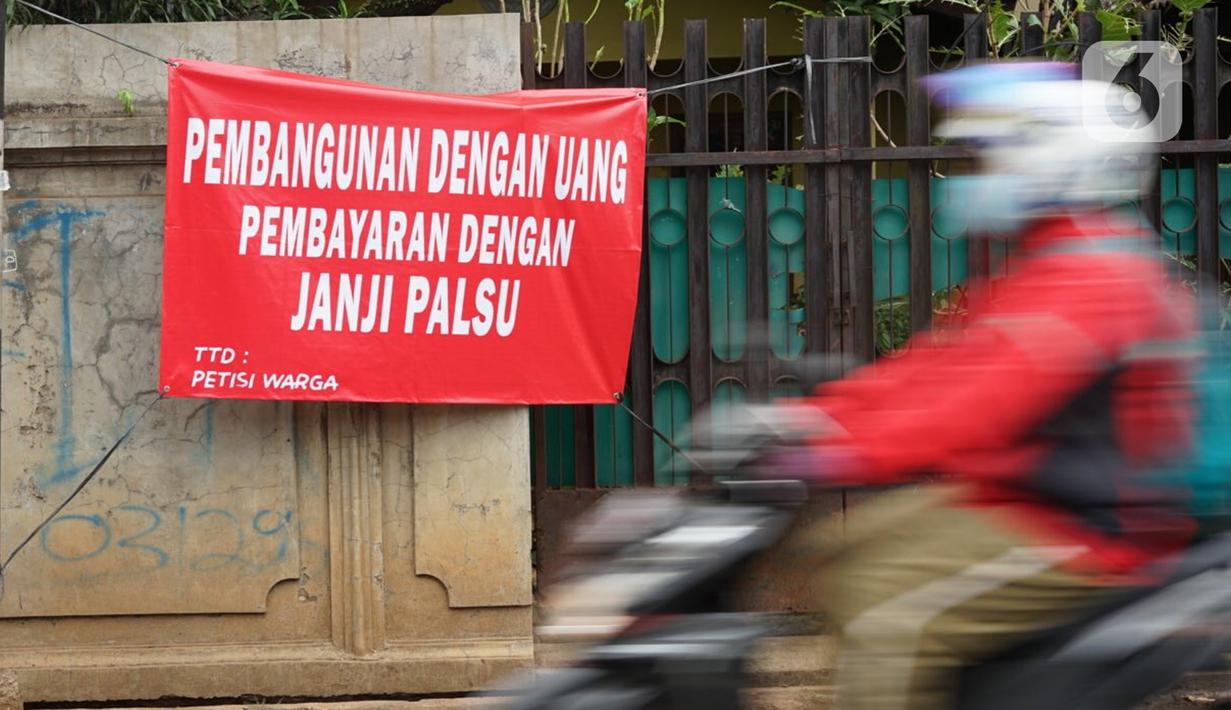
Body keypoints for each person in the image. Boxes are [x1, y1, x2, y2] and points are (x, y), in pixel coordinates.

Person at [791, 62, 1199, 710]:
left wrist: (836, 450)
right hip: (1020, 499)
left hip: (1081, 528)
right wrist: (813, 420)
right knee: (837, 551)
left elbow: (978, 404)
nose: (972, 177)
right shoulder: (1048, 260)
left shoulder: (1094, 278)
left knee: (886, 610)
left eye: (986, 159)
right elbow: (939, 366)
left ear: (1046, 159)